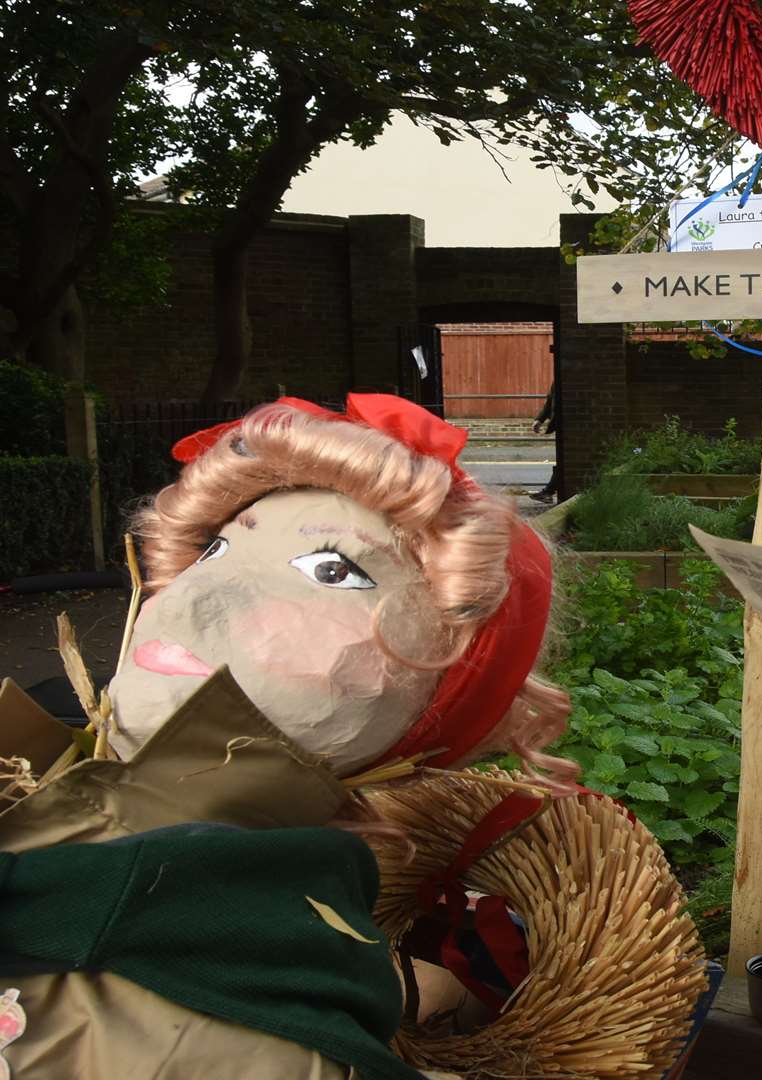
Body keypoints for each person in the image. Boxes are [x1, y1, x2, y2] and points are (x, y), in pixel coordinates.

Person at [0, 395, 575, 1077]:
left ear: (436, 704)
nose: (193, 595)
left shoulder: (280, 1041)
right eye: (214, 548)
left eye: (332, 571)